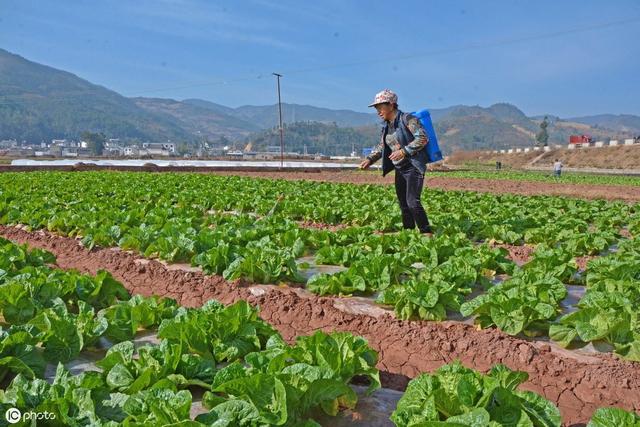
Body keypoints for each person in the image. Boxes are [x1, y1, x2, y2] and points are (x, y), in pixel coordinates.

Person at [359, 89, 433, 235]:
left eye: (380, 107)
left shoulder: (408, 119)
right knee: (404, 204)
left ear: (391, 105)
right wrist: (370, 159)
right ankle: (408, 233)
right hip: (400, 168)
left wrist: (403, 151)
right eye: (376, 108)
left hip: (413, 166)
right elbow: (382, 146)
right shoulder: (387, 126)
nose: (378, 111)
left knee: (412, 202)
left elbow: (423, 138)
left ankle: (426, 233)